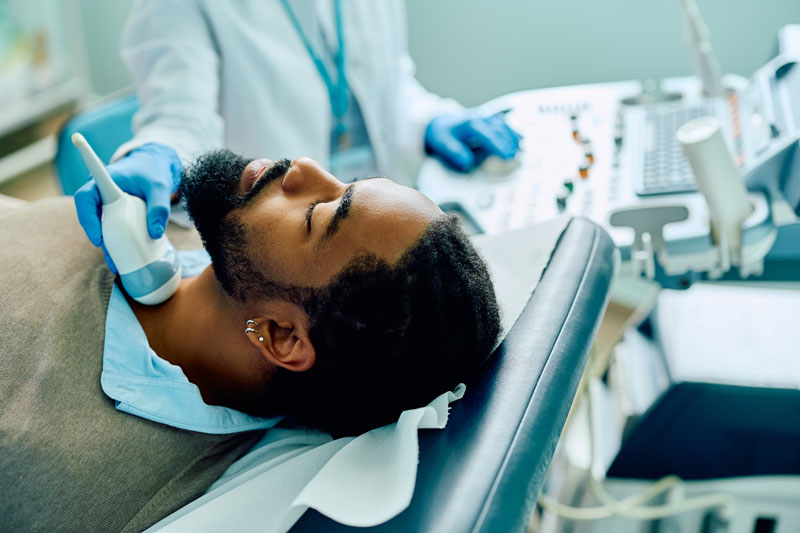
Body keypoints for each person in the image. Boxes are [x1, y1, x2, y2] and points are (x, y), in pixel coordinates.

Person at [0, 154, 500, 530]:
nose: (304, 167)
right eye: (348, 181)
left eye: (318, 214)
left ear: (282, 338)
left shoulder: (56, 474)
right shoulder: (165, 228)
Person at [74, 0, 521, 265]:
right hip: (285, 247)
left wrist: (428, 121)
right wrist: (157, 151)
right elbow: (181, 114)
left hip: (373, 211)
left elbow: (382, 80)